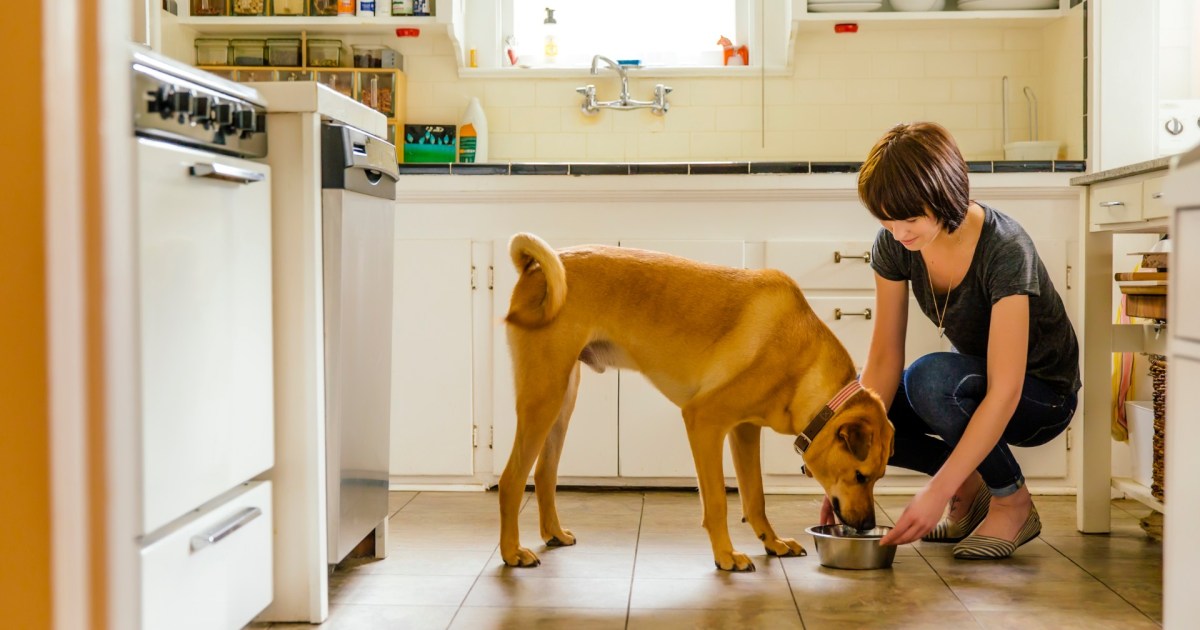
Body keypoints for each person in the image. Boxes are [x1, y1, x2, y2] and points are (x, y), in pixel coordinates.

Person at [820, 121, 1080, 559]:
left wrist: (935, 493)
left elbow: (1006, 389)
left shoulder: (1005, 248)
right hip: (973, 388)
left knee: (929, 379)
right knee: (867, 410)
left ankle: (1012, 501)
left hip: (1041, 398)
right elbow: (883, 359)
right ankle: (969, 486)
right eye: (886, 219)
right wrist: (844, 469)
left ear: (944, 196)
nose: (899, 232)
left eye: (910, 218)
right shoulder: (895, 244)